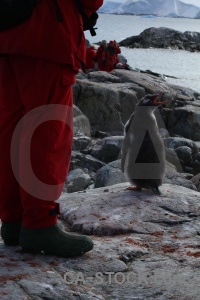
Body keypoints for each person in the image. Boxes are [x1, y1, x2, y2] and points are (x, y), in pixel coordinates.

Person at [0, 0, 103, 257]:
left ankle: (13, 220)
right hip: (47, 30)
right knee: (46, 130)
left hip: (5, 29)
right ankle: (38, 224)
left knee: (10, 128)